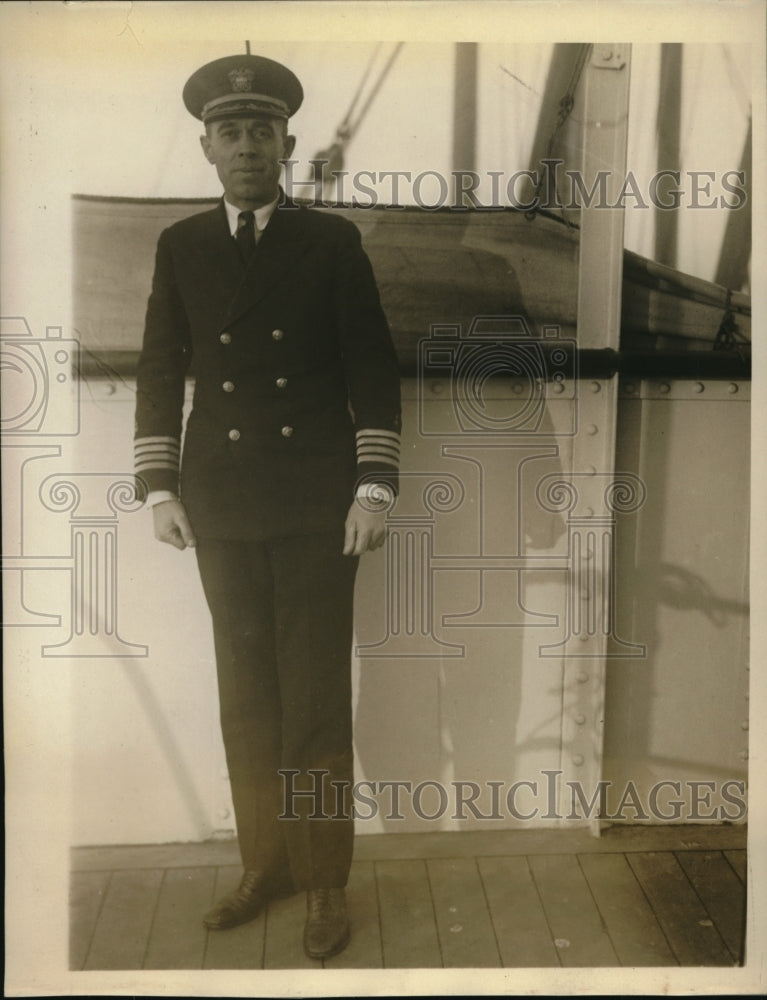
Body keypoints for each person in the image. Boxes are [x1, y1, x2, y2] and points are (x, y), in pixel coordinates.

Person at [133, 53, 401, 960]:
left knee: (315, 699)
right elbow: (161, 368)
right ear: (207, 147)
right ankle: (267, 865)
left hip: (318, 503)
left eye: (261, 131)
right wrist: (159, 485)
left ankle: (324, 882)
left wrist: (373, 486)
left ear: (287, 143)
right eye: (228, 132)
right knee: (245, 698)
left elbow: (372, 370)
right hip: (222, 500)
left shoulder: (331, 243)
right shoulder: (183, 245)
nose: (246, 147)